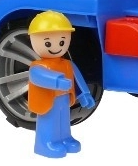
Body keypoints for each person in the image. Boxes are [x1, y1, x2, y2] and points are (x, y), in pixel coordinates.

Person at [28, 10, 95, 158]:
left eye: (62, 41)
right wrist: (57, 81)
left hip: (64, 99)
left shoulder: (67, 64)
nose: (56, 46)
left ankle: (65, 138)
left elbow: (77, 80)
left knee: (64, 121)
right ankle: (45, 143)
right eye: (48, 43)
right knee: (49, 122)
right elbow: (40, 77)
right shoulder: (37, 67)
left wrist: (85, 95)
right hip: (48, 101)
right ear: (33, 39)